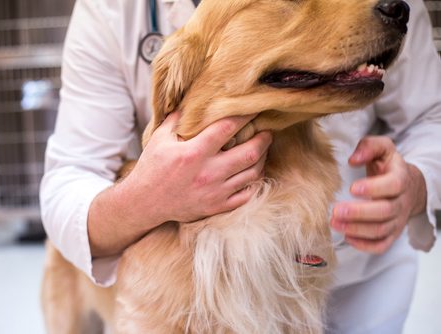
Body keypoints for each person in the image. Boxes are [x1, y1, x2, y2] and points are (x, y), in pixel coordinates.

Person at [39, 0, 441, 332]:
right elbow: (72, 173)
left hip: (353, 281)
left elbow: (432, 116)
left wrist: (417, 182)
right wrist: (148, 197)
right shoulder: (109, 10)